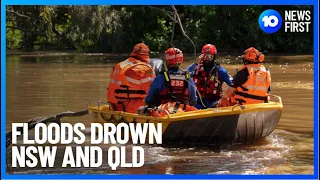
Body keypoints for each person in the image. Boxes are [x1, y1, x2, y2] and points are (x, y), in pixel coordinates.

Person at [143, 47, 198, 115]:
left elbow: (149, 100)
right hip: (183, 112)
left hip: (165, 112)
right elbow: (193, 100)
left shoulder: (161, 77)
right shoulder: (188, 77)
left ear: (167, 62)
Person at [106, 43, 156, 113]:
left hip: (114, 105)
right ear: (146, 54)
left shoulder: (119, 65)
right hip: (131, 107)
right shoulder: (144, 68)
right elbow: (153, 90)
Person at [187, 44, 233, 109]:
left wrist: (226, 97)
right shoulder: (196, 68)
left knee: (221, 105)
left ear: (214, 57)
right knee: (187, 107)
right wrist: (196, 63)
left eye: (209, 56)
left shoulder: (220, 71)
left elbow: (233, 85)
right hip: (198, 102)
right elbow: (185, 75)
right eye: (204, 56)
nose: (207, 59)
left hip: (214, 101)